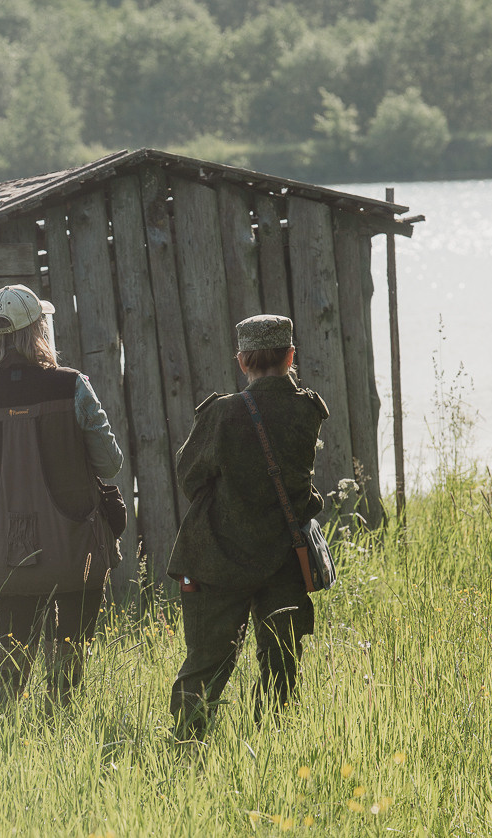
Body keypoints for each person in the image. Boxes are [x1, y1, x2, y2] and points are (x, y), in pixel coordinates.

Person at [0, 284, 123, 707]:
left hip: (6, 547)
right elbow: (110, 463)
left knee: (10, 648)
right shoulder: (74, 386)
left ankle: (6, 734)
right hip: (72, 543)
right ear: (38, 331)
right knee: (69, 649)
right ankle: (60, 723)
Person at [167, 314, 329, 739]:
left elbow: (189, 477)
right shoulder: (307, 411)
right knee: (280, 662)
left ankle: (187, 748)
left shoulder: (222, 413)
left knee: (206, 661)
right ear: (291, 356)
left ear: (242, 363)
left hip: (217, 557)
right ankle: (272, 746)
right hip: (283, 559)